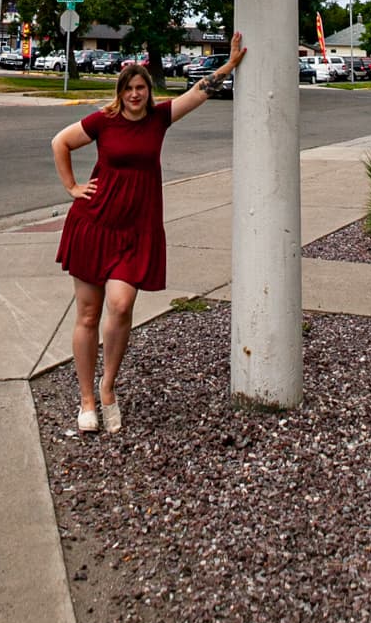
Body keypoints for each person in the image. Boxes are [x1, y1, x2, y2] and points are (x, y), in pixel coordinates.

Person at [51, 32, 247, 432]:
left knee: (121, 306)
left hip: (136, 230)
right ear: (121, 92)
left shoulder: (159, 120)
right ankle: (87, 400)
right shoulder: (103, 122)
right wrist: (72, 188)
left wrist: (226, 66)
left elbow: (198, 91)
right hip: (94, 223)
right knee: (88, 314)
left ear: (148, 91)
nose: (136, 94)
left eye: (141, 88)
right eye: (129, 88)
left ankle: (108, 387)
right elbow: (60, 142)